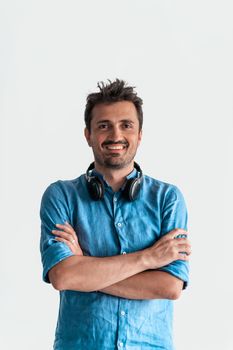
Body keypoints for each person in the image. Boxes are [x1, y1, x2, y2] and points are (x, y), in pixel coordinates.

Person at [40, 79, 191, 350]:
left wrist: (85, 266)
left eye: (126, 125)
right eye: (103, 126)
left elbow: (169, 286)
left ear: (140, 134)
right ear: (88, 134)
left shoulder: (168, 199)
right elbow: (63, 277)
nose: (115, 135)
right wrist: (148, 259)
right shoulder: (61, 196)